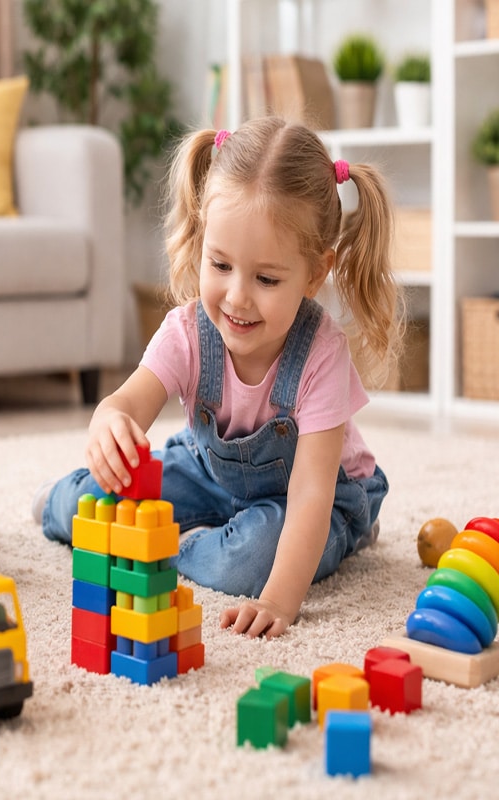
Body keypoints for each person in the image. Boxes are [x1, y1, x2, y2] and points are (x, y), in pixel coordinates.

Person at [36, 116, 401, 639]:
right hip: (208, 473)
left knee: (250, 560)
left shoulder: (323, 352)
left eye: (267, 278)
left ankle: (177, 545)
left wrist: (277, 601)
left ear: (315, 274)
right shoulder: (187, 332)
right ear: (203, 239)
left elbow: (309, 496)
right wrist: (108, 421)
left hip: (314, 500)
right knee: (84, 505)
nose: (236, 297)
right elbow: (125, 404)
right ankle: (65, 501)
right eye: (221, 265)